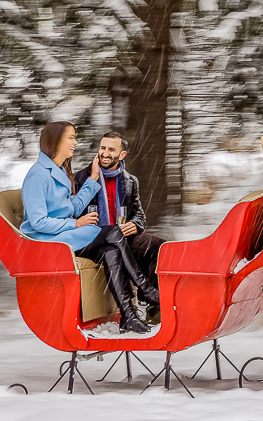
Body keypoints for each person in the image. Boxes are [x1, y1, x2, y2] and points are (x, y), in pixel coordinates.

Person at [20, 121, 159, 333]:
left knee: (111, 250)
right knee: (112, 232)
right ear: (56, 141)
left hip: (66, 235)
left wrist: (93, 180)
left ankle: (128, 316)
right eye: (71, 138)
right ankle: (145, 288)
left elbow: (72, 208)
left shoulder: (59, 171)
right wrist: (74, 223)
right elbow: (38, 222)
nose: (75, 142)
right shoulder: (38, 175)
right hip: (48, 241)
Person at [72, 130, 166, 315]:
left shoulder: (130, 181)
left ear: (122, 154)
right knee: (113, 249)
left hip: (121, 235)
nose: (105, 153)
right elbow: (71, 213)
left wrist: (136, 224)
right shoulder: (80, 179)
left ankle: (152, 305)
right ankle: (134, 304)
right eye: (102, 148)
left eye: (111, 149)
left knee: (159, 246)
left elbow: (139, 214)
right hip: (93, 240)